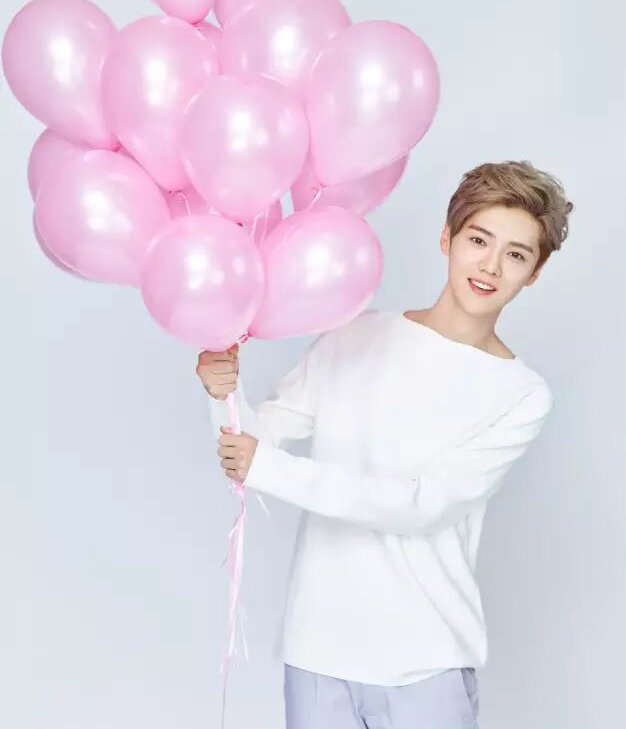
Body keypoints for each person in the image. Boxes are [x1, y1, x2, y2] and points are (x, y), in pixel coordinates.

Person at [197, 160, 573, 728]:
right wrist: (220, 392)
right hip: (317, 654)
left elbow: (420, 505)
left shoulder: (521, 395)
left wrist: (266, 467)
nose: (491, 266)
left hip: (425, 663)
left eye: (516, 255)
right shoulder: (358, 333)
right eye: (479, 240)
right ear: (447, 238)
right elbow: (251, 446)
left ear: (534, 273)